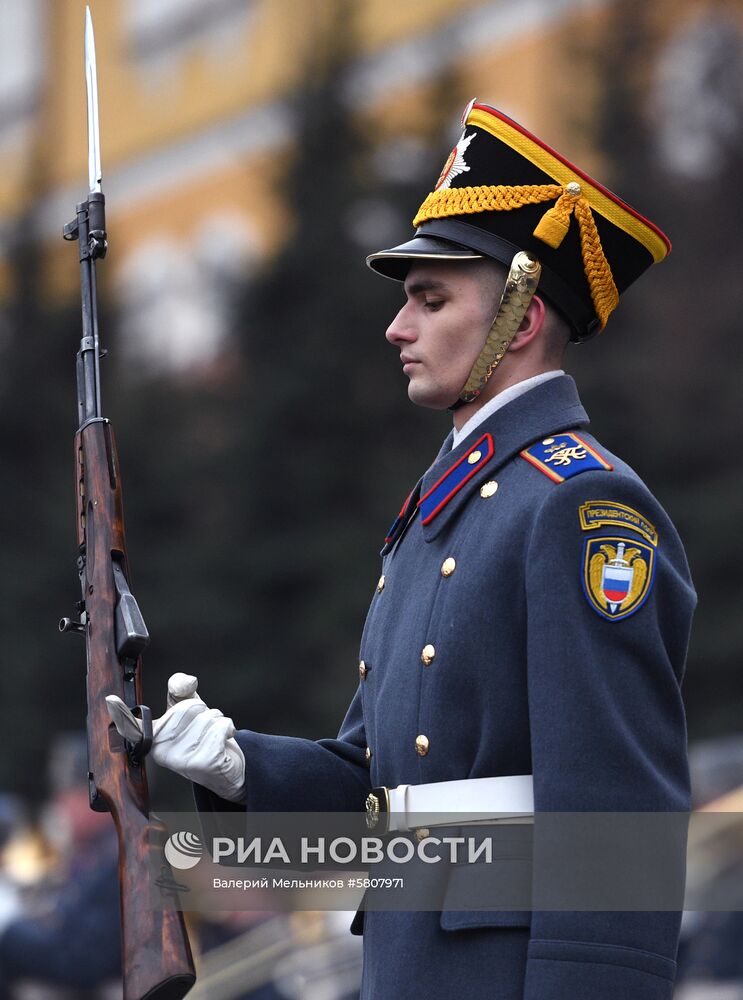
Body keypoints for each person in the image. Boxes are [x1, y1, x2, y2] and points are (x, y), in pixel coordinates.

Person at [108, 99, 696, 999]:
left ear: (522, 316)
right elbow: (379, 790)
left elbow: (613, 821)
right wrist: (240, 765)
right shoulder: (446, 508)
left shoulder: (579, 503)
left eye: (429, 300)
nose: (398, 327)